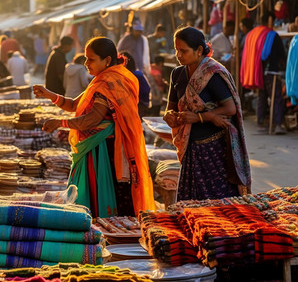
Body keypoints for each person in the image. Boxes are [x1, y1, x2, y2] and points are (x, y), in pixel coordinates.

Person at [33, 37, 155, 217]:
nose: (86, 63)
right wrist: (50, 95)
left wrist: (60, 123)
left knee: (106, 196)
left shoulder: (110, 82)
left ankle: (110, 233)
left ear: (106, 60)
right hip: (97, 146)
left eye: (91, 59)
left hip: (106, 150)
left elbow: (92, 119)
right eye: (85, 58)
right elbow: (75, 104)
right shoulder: (100, 80)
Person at [163, 26, 251, 201]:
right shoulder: (177, 74)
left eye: (184, 51)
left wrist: (201, 117)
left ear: (199, 50)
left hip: (213, 149)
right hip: (190, 148)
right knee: (190, 201)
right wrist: (169, 116)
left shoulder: (212, 74)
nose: (178, 55)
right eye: (176, 50)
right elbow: (171, 107)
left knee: (218, 202)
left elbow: (230, 108)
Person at [241, 12, 287, 134]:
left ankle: (260, 123)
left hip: (256, 71)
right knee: (276, 97)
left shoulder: (251, 34)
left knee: (262, 96)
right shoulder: (271, 34)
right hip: (270, 70)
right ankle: (278, 124)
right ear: (270, 20)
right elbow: (282, 54)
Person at [120, 51, 150, 119]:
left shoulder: (133, 75)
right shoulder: (136, 73)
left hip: (139, 104)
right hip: (141, 103)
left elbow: (144, 91)